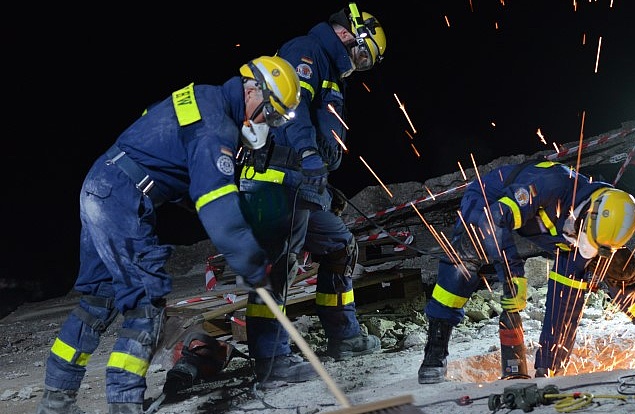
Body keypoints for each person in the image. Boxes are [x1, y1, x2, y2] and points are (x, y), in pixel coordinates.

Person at [36, 55, 310, 414]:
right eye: (272, 114)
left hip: (101, 186)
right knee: (145, 303)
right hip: (121, 199)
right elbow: (219, 210)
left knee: (99, 300)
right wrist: (251, 261)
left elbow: (168, 151)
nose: (269, 125)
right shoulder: (216, 128)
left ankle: (56, 402)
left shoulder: (204, 96)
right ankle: (125, 406)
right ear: (254, 91)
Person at [418, 161, 635, 383]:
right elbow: (493, 222)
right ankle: (434, 352)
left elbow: (567, 300)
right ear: (588, 214)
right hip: (486, 205)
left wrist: (544, 380)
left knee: (617, 275)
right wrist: (514, 279)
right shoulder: (548, 185)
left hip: (561, 227)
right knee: (464, 263)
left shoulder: (606, 211)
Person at [241, 2, 388, 361]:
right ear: (348, 33)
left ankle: (344, 337)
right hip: (275, 182)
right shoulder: (306, 51)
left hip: (298, 183)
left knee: (339, 244)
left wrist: (318, 179)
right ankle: (271, 360)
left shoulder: (327, 68)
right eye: (362, 56)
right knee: (279, 264)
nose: (359, 65)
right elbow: (290, 108)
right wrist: (308, 155)